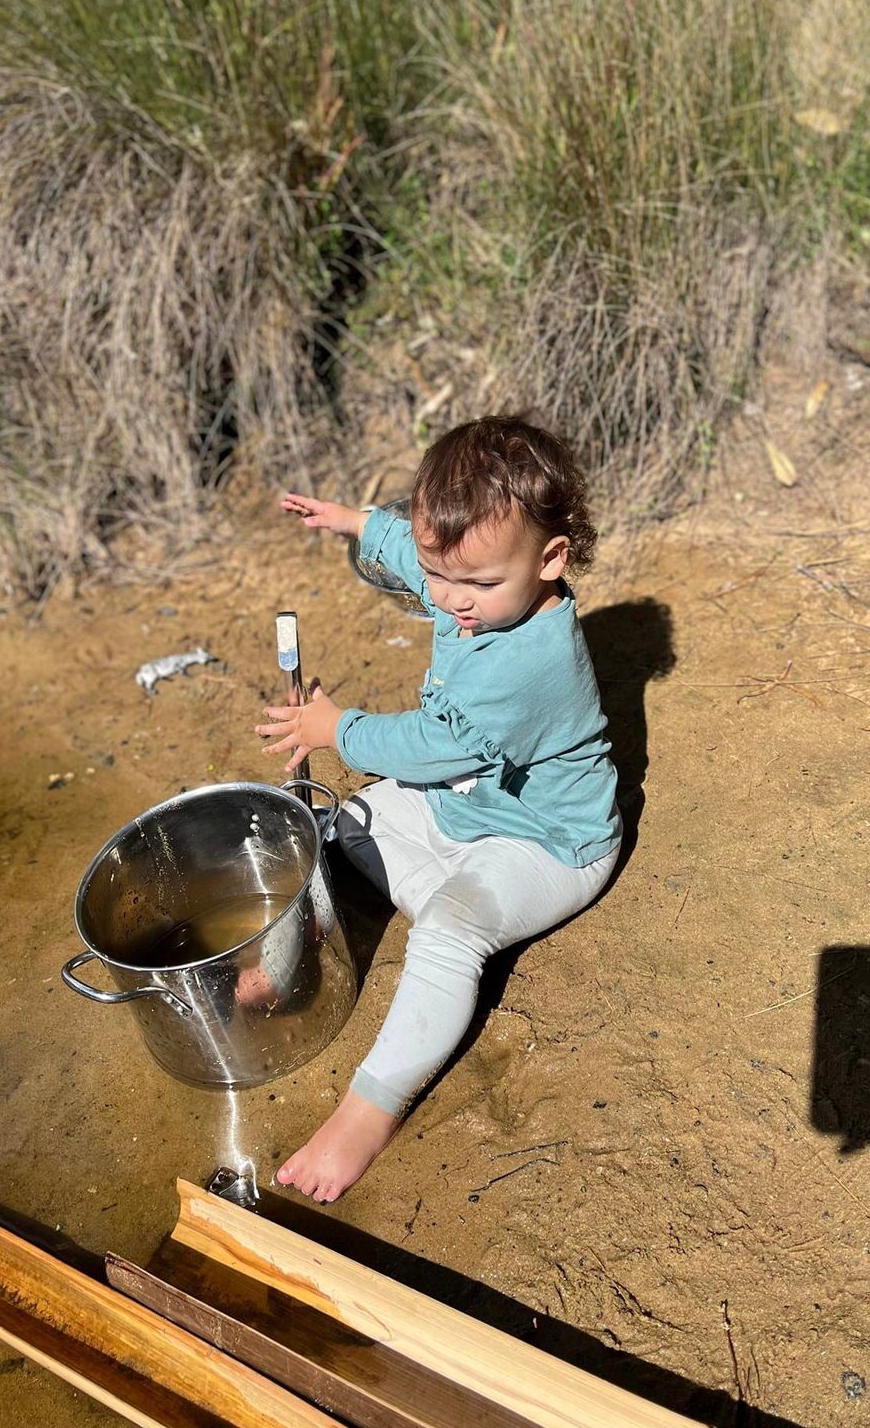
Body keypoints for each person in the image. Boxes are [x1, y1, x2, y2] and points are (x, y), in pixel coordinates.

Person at [256, 416, 622, 1202]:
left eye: (477, 584)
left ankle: (369, 1110)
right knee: (334, 825)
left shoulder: (532, 660)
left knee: (452, 930)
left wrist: (337, 728)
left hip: (549, 842)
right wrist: (356, 523)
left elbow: (435, 747)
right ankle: (280, 964)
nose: (449, 601)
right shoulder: (479, 588)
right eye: (438, 574)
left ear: (551, 560)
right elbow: (420, 562)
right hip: (465, 810)